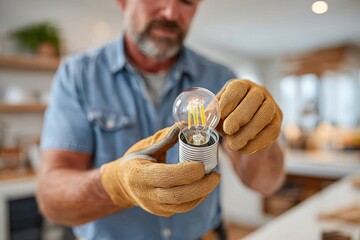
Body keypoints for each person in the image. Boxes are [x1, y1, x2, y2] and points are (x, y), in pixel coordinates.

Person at [36, 0, 285, 239]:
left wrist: (261, 134)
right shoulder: (78, 76)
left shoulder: (221, 78)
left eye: (186, 1)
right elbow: (52, 201)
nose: (170, 13)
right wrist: (116, 184)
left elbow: (267, 184)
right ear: (122, 2)